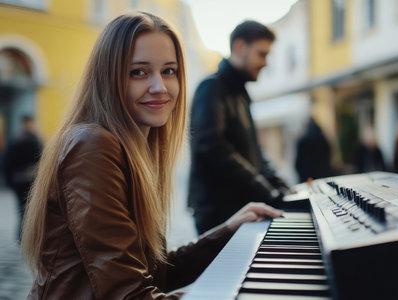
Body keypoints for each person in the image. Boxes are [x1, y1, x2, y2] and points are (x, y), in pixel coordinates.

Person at [20, 12, 282, 299]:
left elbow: (152, 271)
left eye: (169, 71)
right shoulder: (93, 146)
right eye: (139, 72)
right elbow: (132, 293)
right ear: (109, 78)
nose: (160, 87)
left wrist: (228, 231)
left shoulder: (132, 146)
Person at [188, 20, 289, 235]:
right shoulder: (211, 88)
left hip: (240, 209)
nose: (265, 63)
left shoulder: (240, 94)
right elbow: (211, 147)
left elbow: (253, 149)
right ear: (239, 47)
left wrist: (279, 183)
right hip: (218, 214)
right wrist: (265, 188)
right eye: (262, 54)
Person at [3, 115, 42, 241]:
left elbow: (6, 163)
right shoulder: (34, 139)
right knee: (27, 209)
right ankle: (25, 235)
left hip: (21, 180)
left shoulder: (15, 139)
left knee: (23, 208)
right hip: (28, 180)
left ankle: (23, 235)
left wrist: (10, 181)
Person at [294, 117, 333, 183]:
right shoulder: (323, 140)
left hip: (307, 177)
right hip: (322, 175)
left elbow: (298, 163)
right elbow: (328, 157)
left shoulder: (302, 140)